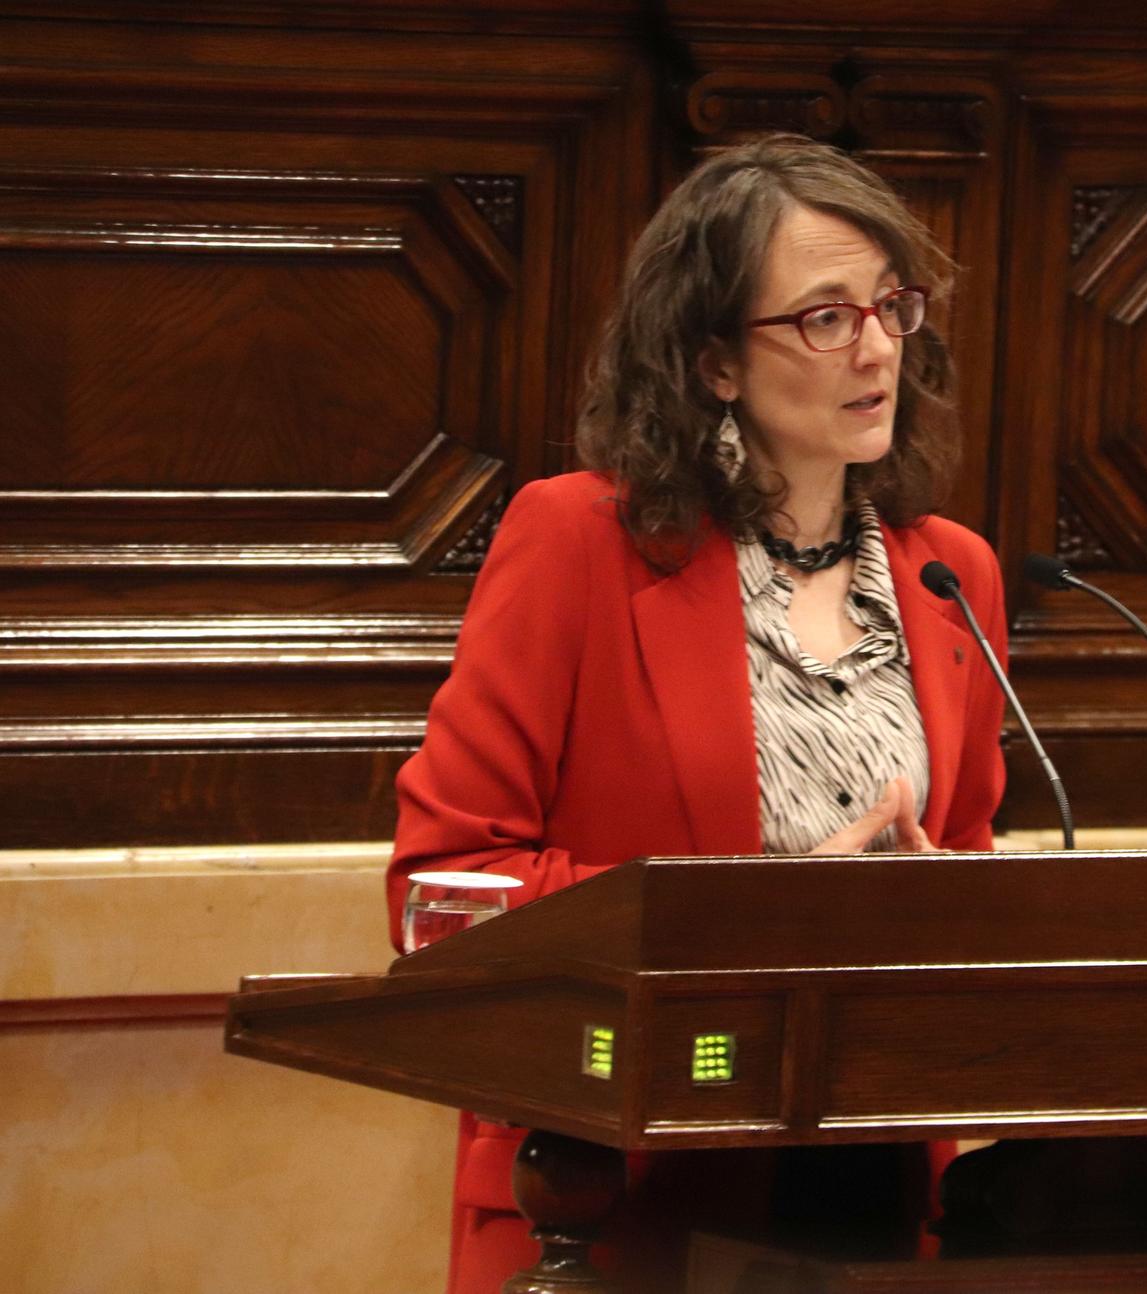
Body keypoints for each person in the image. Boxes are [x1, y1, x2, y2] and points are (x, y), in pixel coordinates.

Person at [387, 134, 1008, 1294]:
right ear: (715, 359)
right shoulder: (577, 543)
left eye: (889, 306)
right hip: (610, 1196)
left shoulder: (949, 575)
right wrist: (748, 915)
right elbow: (444, 890)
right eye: (823, 317)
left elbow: (966, 855)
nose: (875, 347)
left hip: (874, 1184)